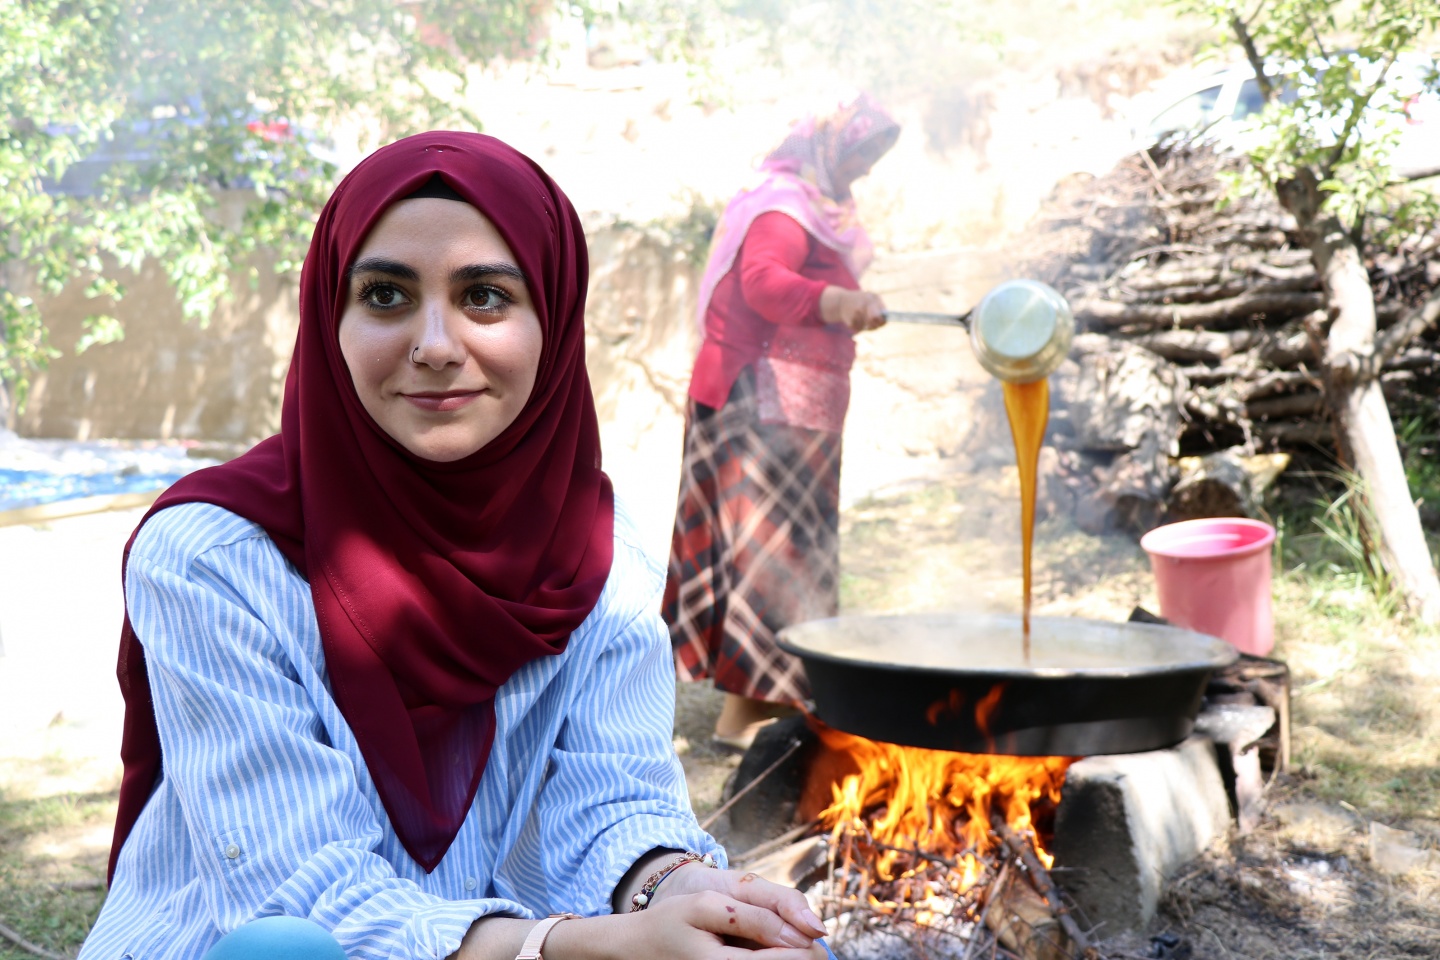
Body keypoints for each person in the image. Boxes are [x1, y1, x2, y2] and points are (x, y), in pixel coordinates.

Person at [81, 132, 831, 960]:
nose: (435, 346)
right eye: (387, 296)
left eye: (484, 297)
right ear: (329, 317)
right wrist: (563, 948)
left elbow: (614, 799)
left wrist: (680, 890)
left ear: (552, 318)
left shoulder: (601, 559)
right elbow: (296, 893)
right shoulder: (215, 559)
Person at [663, 95, 900, 750]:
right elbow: (763, 285)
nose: (866, 168)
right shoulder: (783, 205)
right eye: (860, 152)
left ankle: (781, 698)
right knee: (769, 551)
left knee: (798, 544)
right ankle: (743, 717)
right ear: (827, 144)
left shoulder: (826, 211)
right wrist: (839, 300)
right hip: (759, 400)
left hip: (802, 401)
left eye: (874, 156)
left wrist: (844, 306)